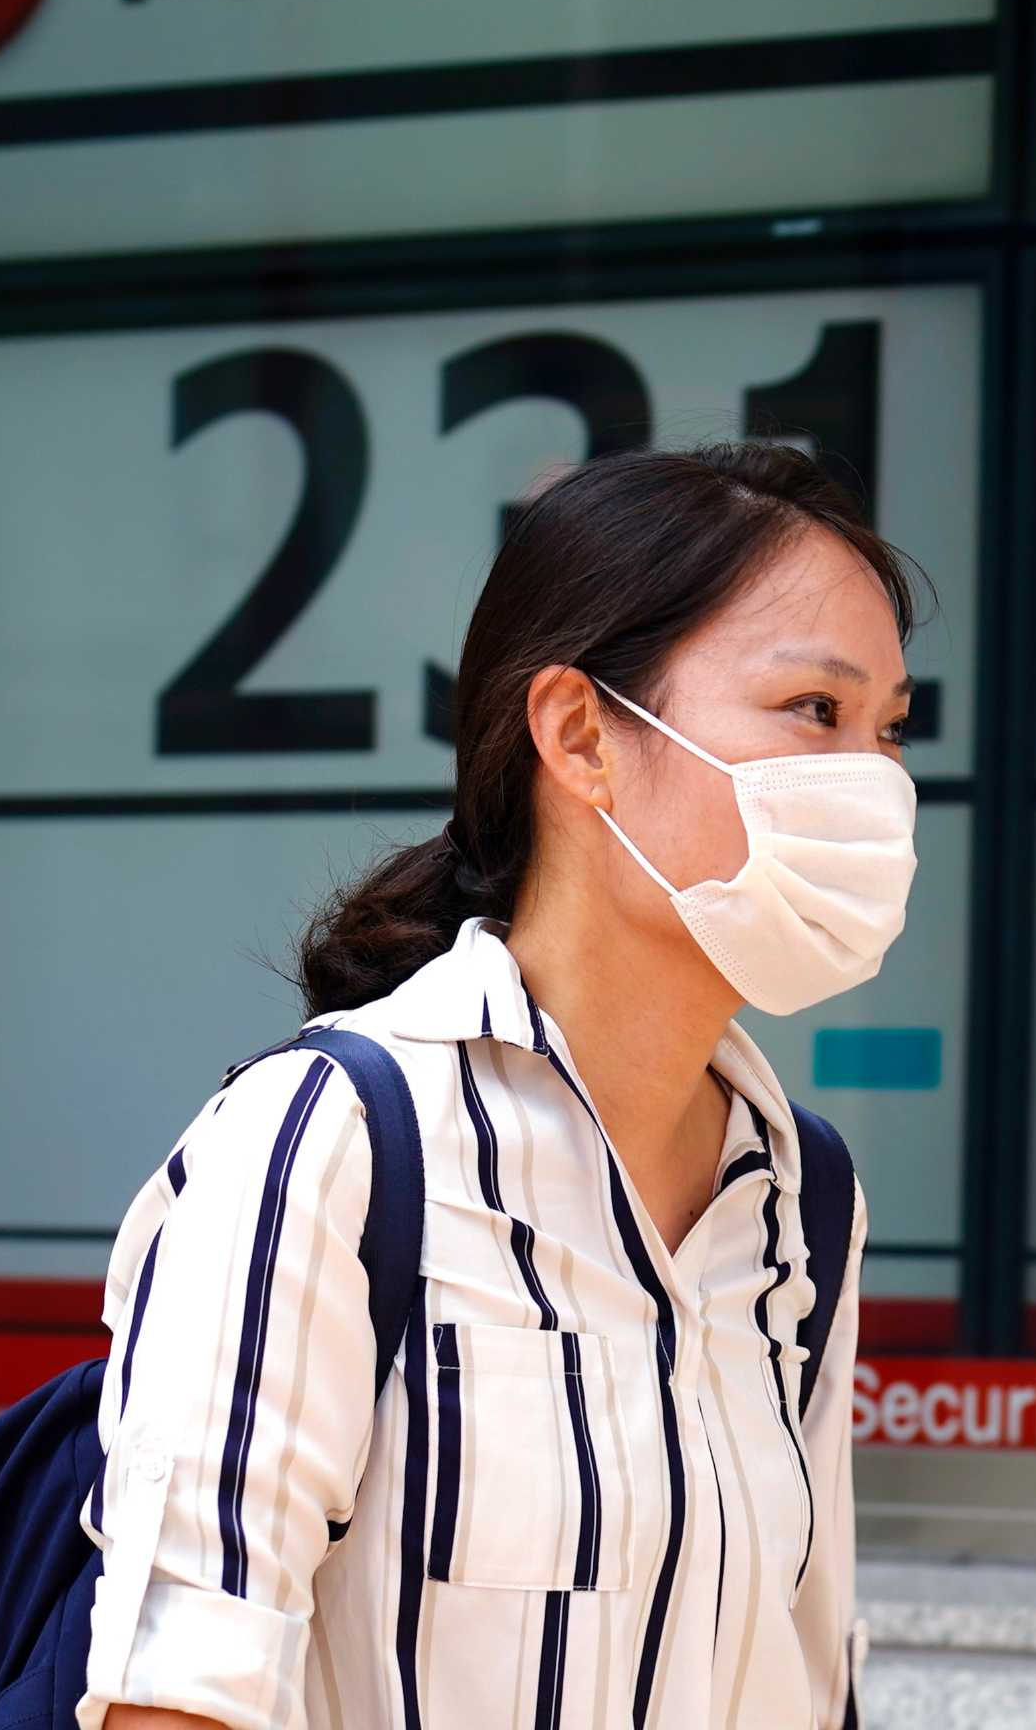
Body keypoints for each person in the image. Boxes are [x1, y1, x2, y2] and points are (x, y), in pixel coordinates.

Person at [77, 443, 918, 1730]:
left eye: (888, 730)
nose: (871, 782)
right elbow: (175, 1696)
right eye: (815, 709)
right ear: (582, 734)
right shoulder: (330, 1143)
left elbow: (806, 1683)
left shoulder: (802, 1197)